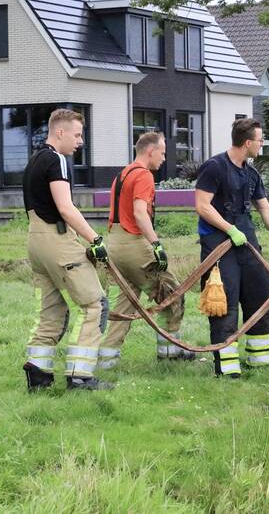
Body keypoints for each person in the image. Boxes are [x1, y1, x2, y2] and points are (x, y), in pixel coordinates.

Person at [195, 118, 269, 378]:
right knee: (224, 301)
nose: (262, 144)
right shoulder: (214, 167)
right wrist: (229, 229)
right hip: (218, 244)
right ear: (248, 142)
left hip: (247, 242)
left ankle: (260, 359)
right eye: (260, 141)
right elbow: (202, 206)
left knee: (259, 294)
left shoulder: (251, 173)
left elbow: (265, 208)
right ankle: (227, 367)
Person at [22, 108, 113, 391]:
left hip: (35, 241)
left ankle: (38, 375)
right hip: (57, 240)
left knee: (51, 310)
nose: (80, 141)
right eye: (77, 135)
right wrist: (95, 239)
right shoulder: (57, 160)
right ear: (59, 132)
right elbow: (65, 207)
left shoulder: (34, 160)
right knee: (95, 304)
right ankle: (80, 376)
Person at [97, 132, 194, 370]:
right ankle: (170, 352)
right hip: (134, 244)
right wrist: (156, 245)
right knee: (172, 294)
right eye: (162, 153)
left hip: (115, 244)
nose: (164, 158)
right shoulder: (144, 175)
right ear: (150, 151)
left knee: (125, 304)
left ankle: (107, 359)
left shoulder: (123, 174)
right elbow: (140, 213)